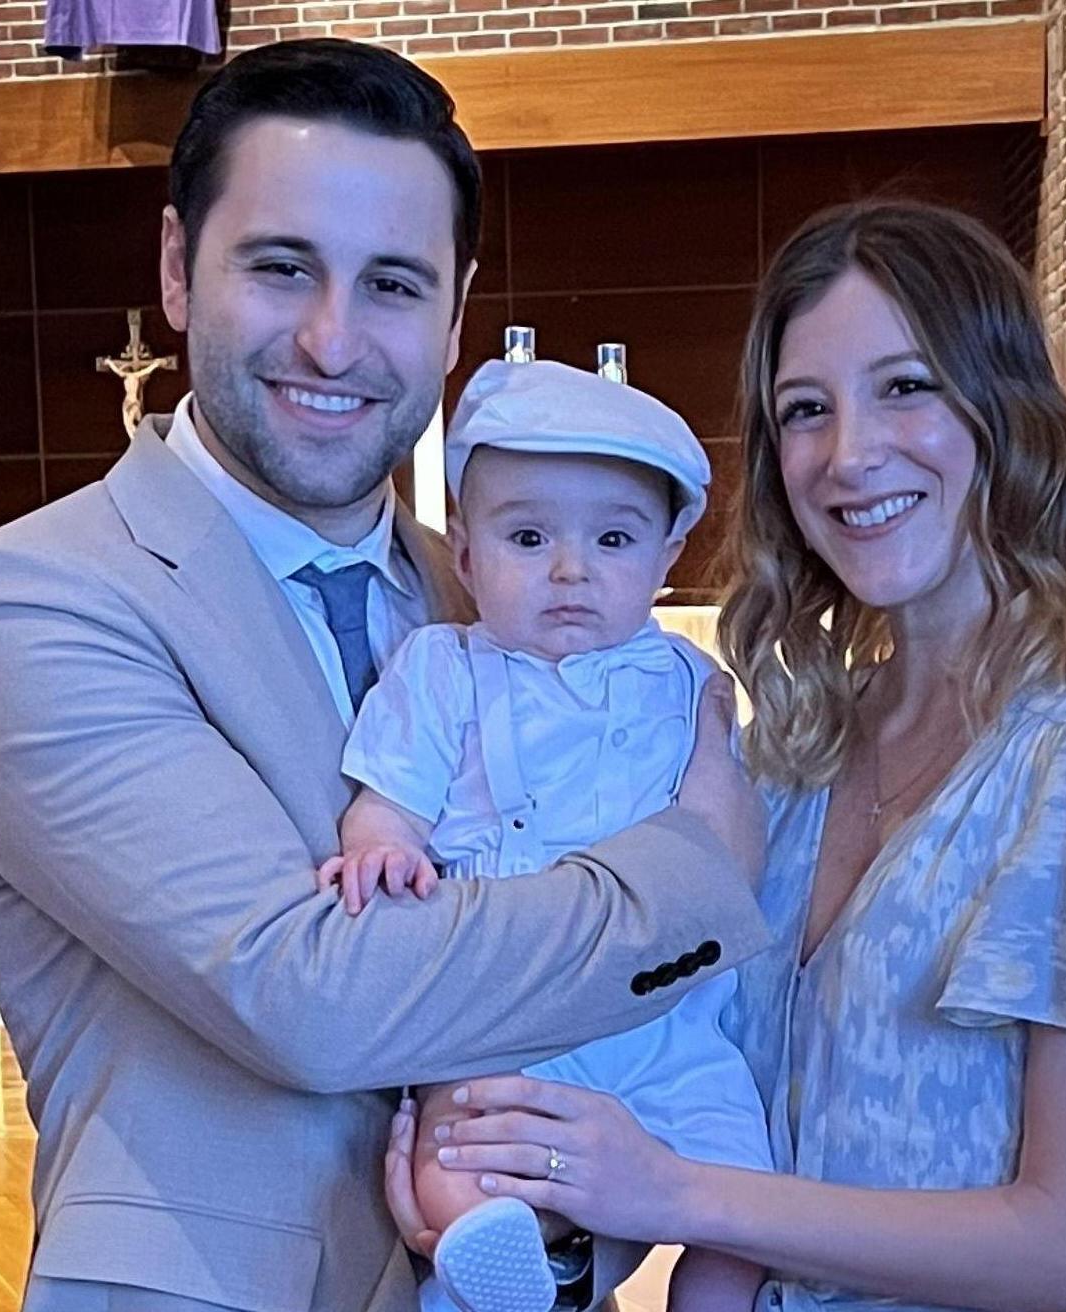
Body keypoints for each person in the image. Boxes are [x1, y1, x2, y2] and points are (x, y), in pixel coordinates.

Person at [0, 38, 772, 1312]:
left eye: (391, 283)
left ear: (453, 313)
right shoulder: (36, 597)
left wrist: (557, 1238)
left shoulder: (487, 593)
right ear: (177, 267)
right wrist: (697, 869)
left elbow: (597, 1030)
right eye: (280, 267)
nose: (332, 340)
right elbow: (306, 990)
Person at [394, 200, 1066, 1312]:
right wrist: (536, 1218)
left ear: (1004, 409)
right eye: (805, 409)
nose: (849, 454)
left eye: (905, 386)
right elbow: (676, 1088)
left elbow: (1064, 1248)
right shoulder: (787, 753)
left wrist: (679, 1194)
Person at [319, 358, 771, 1312]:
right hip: (505, 1009)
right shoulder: (443, 669)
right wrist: (382, 844)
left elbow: (727, 839)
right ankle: (493, 1258)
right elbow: (390, 797)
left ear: (666, 558)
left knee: (740, 1204)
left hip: (669, 1026)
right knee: (459, 1147)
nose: (572, 570)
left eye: (614, 539)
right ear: (466, 556)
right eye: (528, 538)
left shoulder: (688, 682)